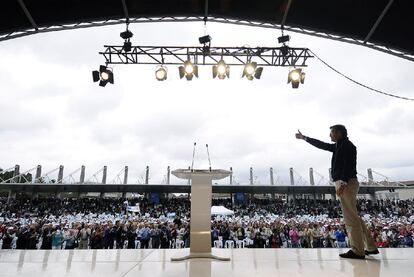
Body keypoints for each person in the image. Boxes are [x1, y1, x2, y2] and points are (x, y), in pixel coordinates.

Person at [295, 125, 379, 259]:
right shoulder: (340, 145)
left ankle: (358, 250)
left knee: (350, 219)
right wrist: (305, 138)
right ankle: (370, 247)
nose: (330, 136)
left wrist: (343, 184)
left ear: (339, 133)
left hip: (346, 182)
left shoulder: (347, 146)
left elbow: (348, 165)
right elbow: (322, 145)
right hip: (347, 182)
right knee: (354, 217)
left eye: (331, 133)